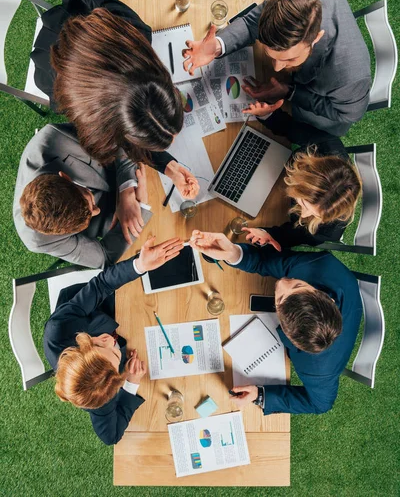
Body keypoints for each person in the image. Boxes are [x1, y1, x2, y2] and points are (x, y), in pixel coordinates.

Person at [31, 0, 199, 198]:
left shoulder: (136, 32)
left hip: (72, 32)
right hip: (50, 64)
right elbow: (124, 142)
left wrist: (169, 167)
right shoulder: (84, 112)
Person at [190, 230, 362, 415]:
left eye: (279, 300)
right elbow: (267, 261)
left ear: (289, 336)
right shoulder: (323, 267)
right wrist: (232, 252)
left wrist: (260, 395)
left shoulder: (319, 370)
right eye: (297, 285)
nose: (281, 283)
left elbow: (320, 405)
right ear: (323, 296)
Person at [183, 0, 371, 136]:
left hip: (320, 114)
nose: (277, 67)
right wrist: (217, 45)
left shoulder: (351, 79)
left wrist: (290, 92)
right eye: (269, 52)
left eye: (290, 58)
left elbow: (347, 115)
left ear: (316, 38)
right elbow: (252, 23)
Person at [44, 235, 184, 445]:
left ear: (81, 345)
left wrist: (140, 265)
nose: (109, 341)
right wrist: (131, 383)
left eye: (98, 344)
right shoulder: (96, 392)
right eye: (115, 354)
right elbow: (110, 436)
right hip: (127, 326)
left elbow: (101, 286)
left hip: (96, 307)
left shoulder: (59, 329)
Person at [14, 123, 158, 268]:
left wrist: (127, 190)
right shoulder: (38, 240)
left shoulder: (56, 138)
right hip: (114, 224)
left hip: (122, 169)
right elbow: (104, 257)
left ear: (65, 177)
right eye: (91, 214)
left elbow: (118, 133)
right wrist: (141, 205)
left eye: (90, 200)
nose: (97, 210)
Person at [243, 111, 362, 249]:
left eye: (315, 213)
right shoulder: (328, 145)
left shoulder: (327, 233)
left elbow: (293, 235)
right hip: (279, 168)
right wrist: (266, 114)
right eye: (305, 205)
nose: (303, 215)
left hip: (274, 203)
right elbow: (293, 129)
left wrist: (268, 233)